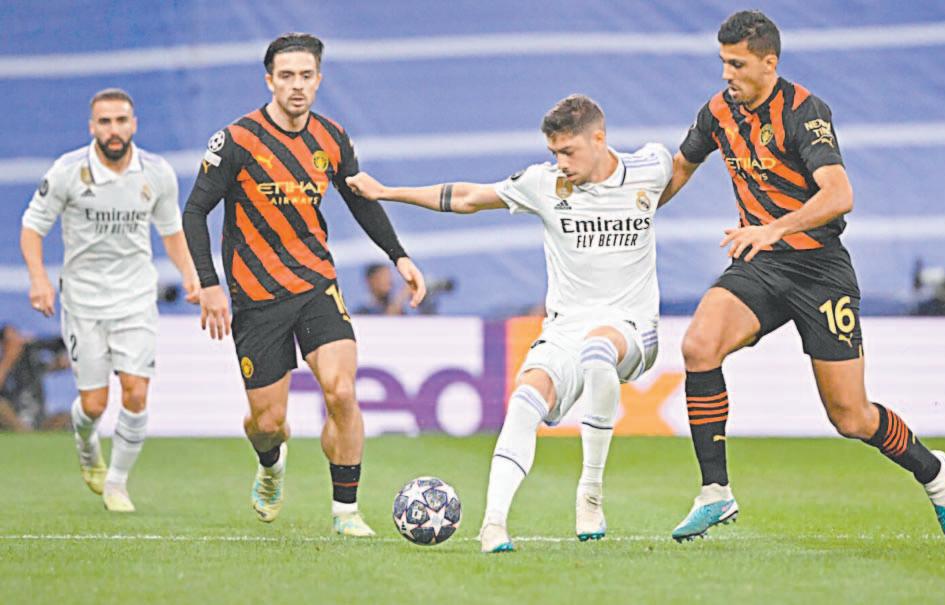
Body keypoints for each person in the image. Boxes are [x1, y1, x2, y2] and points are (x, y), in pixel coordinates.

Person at [659, 10, 945, 542]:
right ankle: (715, 492)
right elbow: (680, 167)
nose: (727, 74)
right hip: (761, 263)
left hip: (820, 270)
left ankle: (933, 471)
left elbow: (839, 194)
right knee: (699, 346)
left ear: (769, 63)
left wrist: (776, 227)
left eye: (737, 64)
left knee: (850, 417)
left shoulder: (805, 111)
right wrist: (633, 212)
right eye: (723, 63)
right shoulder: (717, 112)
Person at [347, 94, 672, 552]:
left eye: (568, 151)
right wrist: (386, 192)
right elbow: (467, 198)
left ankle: (590, 492)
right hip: (565, 328)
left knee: (599, 350)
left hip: (632, 325)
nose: (560, 163)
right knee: (524, 400)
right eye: (553, 152)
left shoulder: (650, 166)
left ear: (599, 139)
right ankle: (493, 524)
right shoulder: (544, 183)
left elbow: (686, 162)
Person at [182, 33, 426, 536]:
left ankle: (346, 512)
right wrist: (208, 284)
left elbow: (360, 200)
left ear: (319, 80)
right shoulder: (238, 140)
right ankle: (271, 464)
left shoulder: (332, 138)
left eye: (306, 75)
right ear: (269, 80)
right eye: (287, 75)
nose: (297, 85)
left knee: (342, 391)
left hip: (316, 284)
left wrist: (398, 255)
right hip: (256, 296)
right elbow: (195, 211)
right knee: (267, 423)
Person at [20, 88, 201, 512]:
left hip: (135, 298)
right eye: (105, 122)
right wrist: (38, 279)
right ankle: (87, 445)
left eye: (121, 120)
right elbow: (32, 227)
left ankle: (117, 483)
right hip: (83, 301)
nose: (114, 129)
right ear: (92, 127)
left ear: (134, 124)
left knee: (136, 392)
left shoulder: (156, 173)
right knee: (94, 404)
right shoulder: (68, 172)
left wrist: (192, 276)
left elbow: (171, 231)